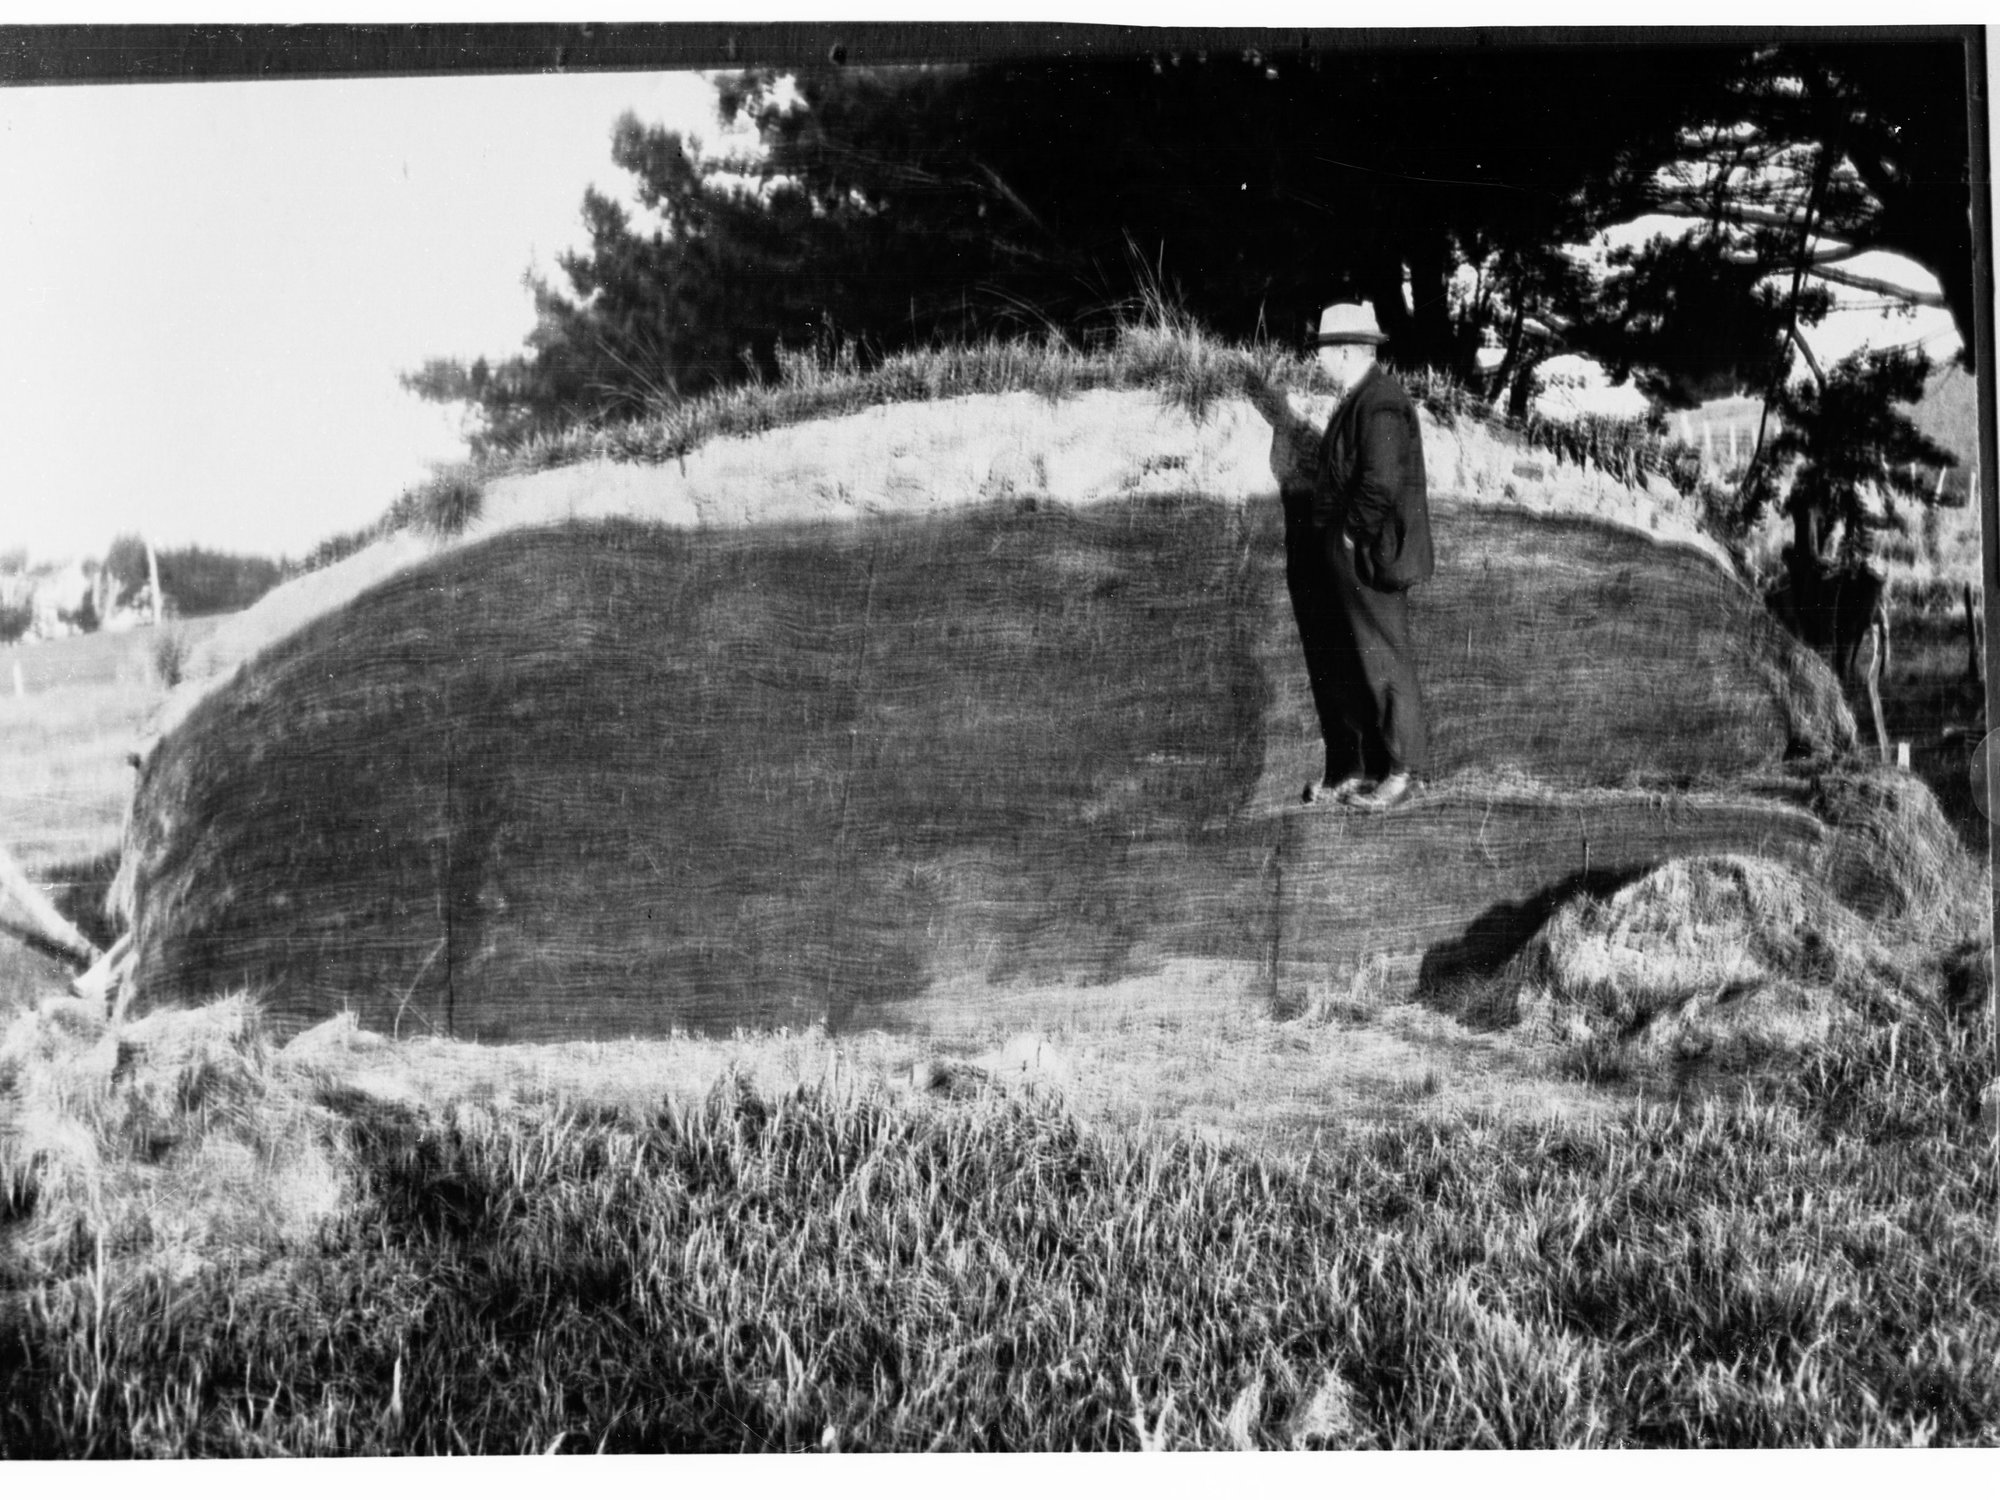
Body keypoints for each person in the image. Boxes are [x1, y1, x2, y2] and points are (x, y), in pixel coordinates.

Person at [1285, 301, 1434, 812]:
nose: (1318, 359)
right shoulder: (1362, 398)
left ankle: (1403, 771)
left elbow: (1381, 485)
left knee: (1385, 662)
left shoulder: (1380, 402)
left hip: (1371, 556)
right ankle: (1368, 768)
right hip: (1355, 552)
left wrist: (1348, 536)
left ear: (1346, 351)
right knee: (1359, 662)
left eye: (1323, 350)